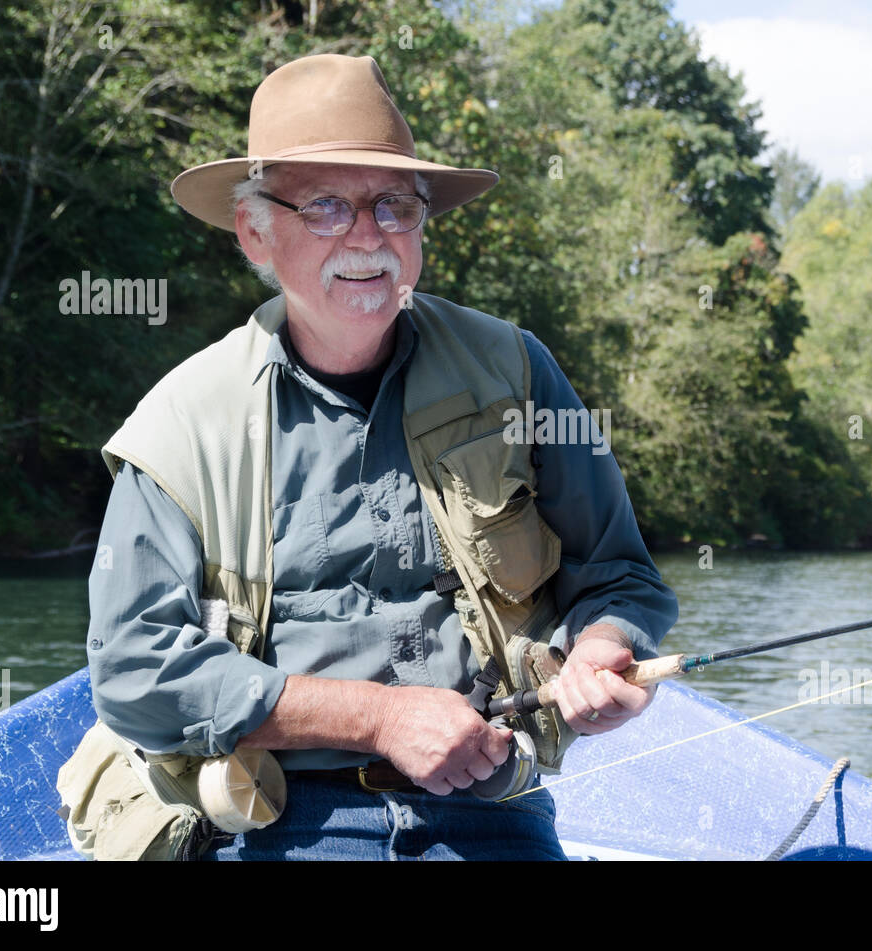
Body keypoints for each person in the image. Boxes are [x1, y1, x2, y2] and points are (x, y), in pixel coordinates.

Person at [83, 53, 677, 860]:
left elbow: (621, 576)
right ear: (256, 231)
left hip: (494, 806)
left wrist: (606, 645)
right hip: (282, 818)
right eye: (327, 206)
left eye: (394, 205)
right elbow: (131, 671)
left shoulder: (517, 370)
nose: (368, 238)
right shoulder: (181, 424)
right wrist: (378, 716)